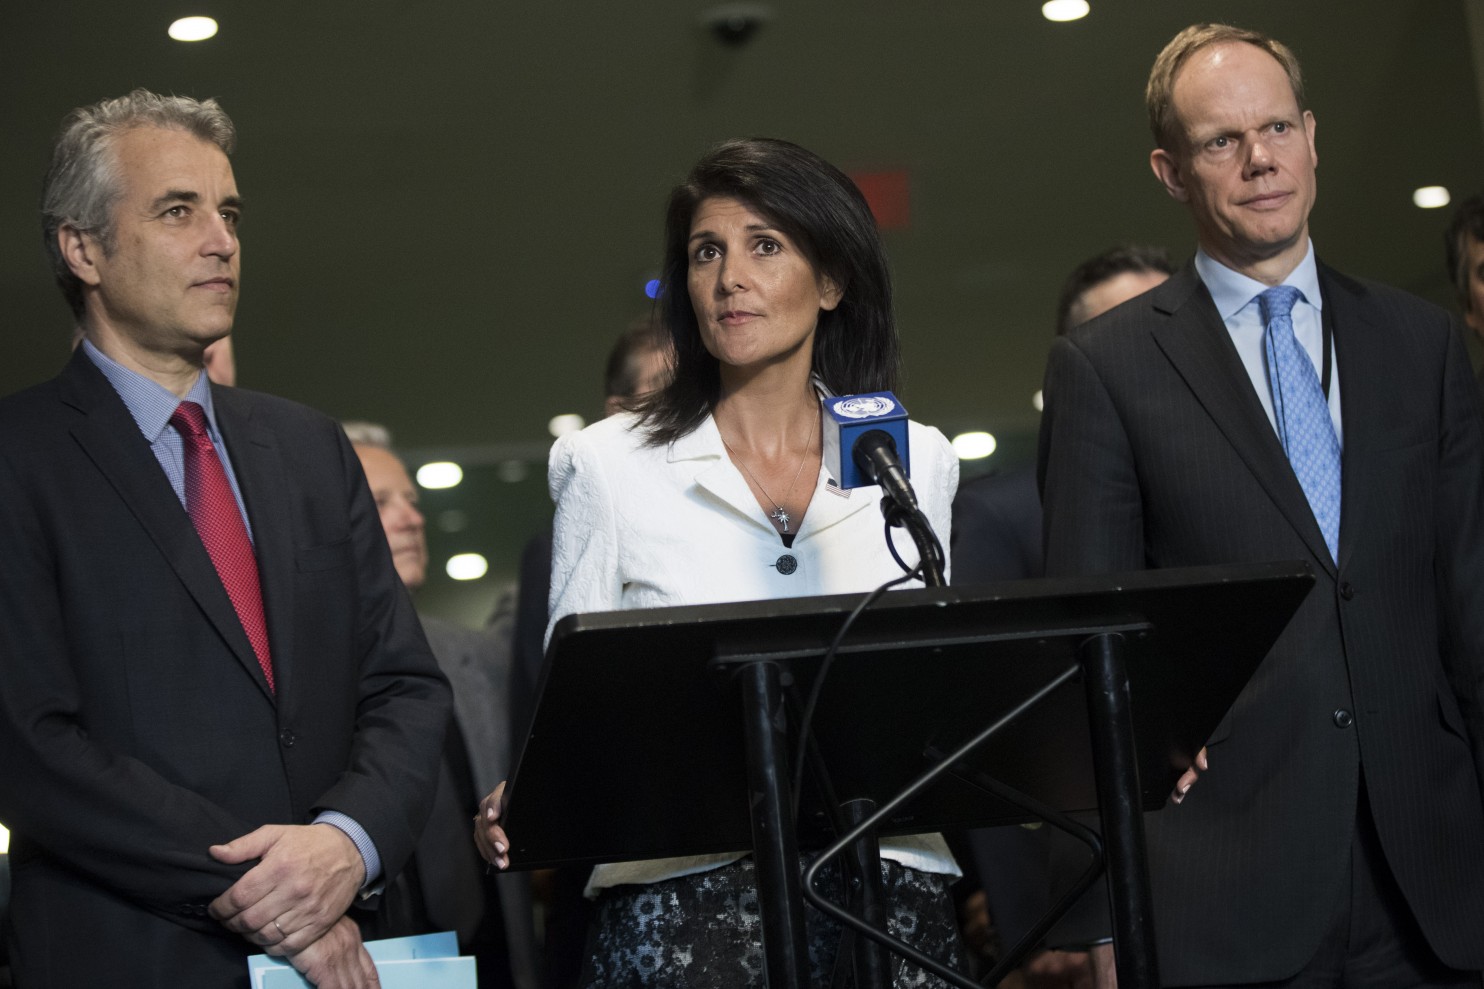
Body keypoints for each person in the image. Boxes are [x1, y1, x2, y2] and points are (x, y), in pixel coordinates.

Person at [1038, 24, 1484, 986]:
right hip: (1228, 880)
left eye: (1277, 127)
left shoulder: (1423, 346)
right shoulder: (1106, 369)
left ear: (1313, 137)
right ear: (1171, 170)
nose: (1259, 161)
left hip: (1437, 871)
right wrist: (1104, 909)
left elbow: (1472, 612)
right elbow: (1092, 645)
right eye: (1219, 141)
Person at [478, 137, 964, 987]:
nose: (729, 276)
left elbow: (929, 695)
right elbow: (574, 706)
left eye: (765, 246)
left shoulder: (914, 458)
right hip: (685, 906)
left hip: (888, 897)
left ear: (832, 281)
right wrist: (535, 786)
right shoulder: (609, 465)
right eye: (708, 252)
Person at [0, 89, 451, 988]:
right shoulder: (18, 456)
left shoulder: (312, 447)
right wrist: (268, 891)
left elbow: (404, 685)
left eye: (229, 212)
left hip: (348, 946)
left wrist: (345, 844)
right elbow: (31, 741)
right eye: (179, 211)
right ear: (81, 247)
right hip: (131, 956)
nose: (222, 239)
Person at [950, 244, 1172, 988]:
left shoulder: (1226, 502)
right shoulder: (1004, 511)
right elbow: (987, 725)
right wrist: (1032, 921)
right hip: (1081, 901)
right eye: (1128, 328)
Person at [345, 422, 540, 989]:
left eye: (411, 499)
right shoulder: (300, 677)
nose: (412, 517)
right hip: (373, 963)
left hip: (499, 960)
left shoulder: (480, 658)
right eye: (381, 502)